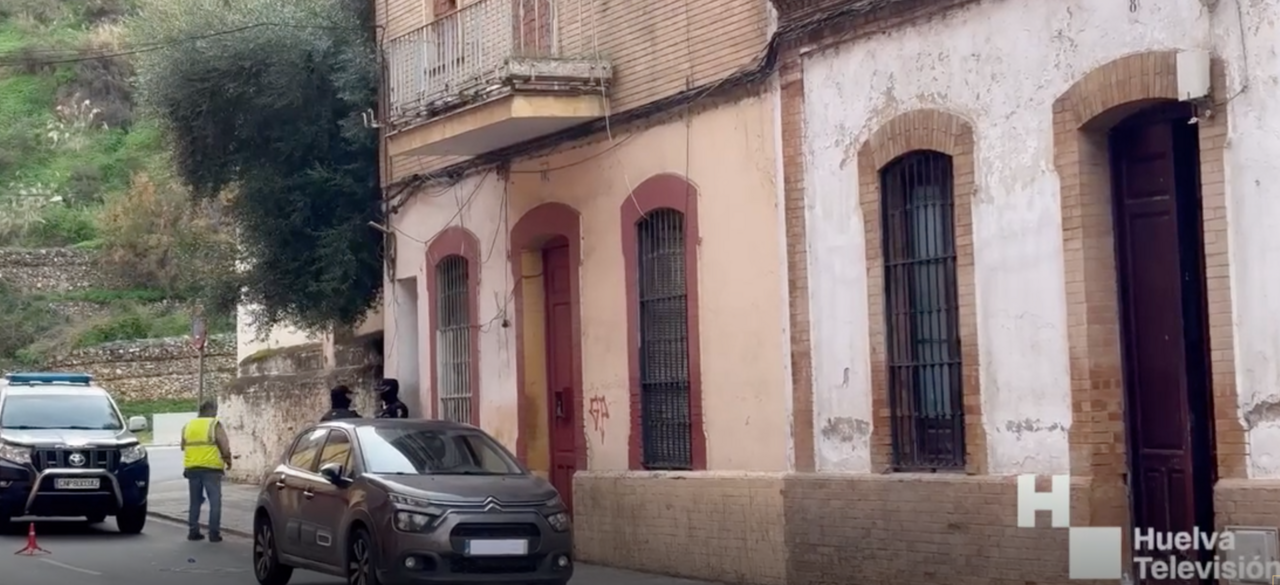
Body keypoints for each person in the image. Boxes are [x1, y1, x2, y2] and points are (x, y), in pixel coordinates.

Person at [180, 400, 231, 542]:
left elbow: (183, 446)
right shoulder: (214, 424)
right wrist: (228, 460)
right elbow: (224, 445)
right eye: (215, 410)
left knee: (194, 502)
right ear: (212, 409)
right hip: (211, 468)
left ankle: (193, 532)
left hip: (192, 468)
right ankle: (214, 534)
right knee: (215, 502)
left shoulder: (188, 425)